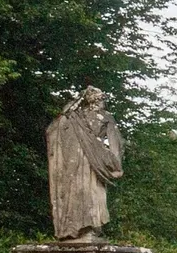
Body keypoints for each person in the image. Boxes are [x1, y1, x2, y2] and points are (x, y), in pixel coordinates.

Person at [46, 86, 124, 241]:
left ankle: (91, 226)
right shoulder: (76, 116)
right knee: (76, 190)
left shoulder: (104, 117)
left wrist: (110, 161)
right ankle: (74, 228)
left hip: (94, 161)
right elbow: (56, 129)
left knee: (91, 191)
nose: (101, 102)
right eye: (99, 98)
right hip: (75, 160)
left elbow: (116, 143)